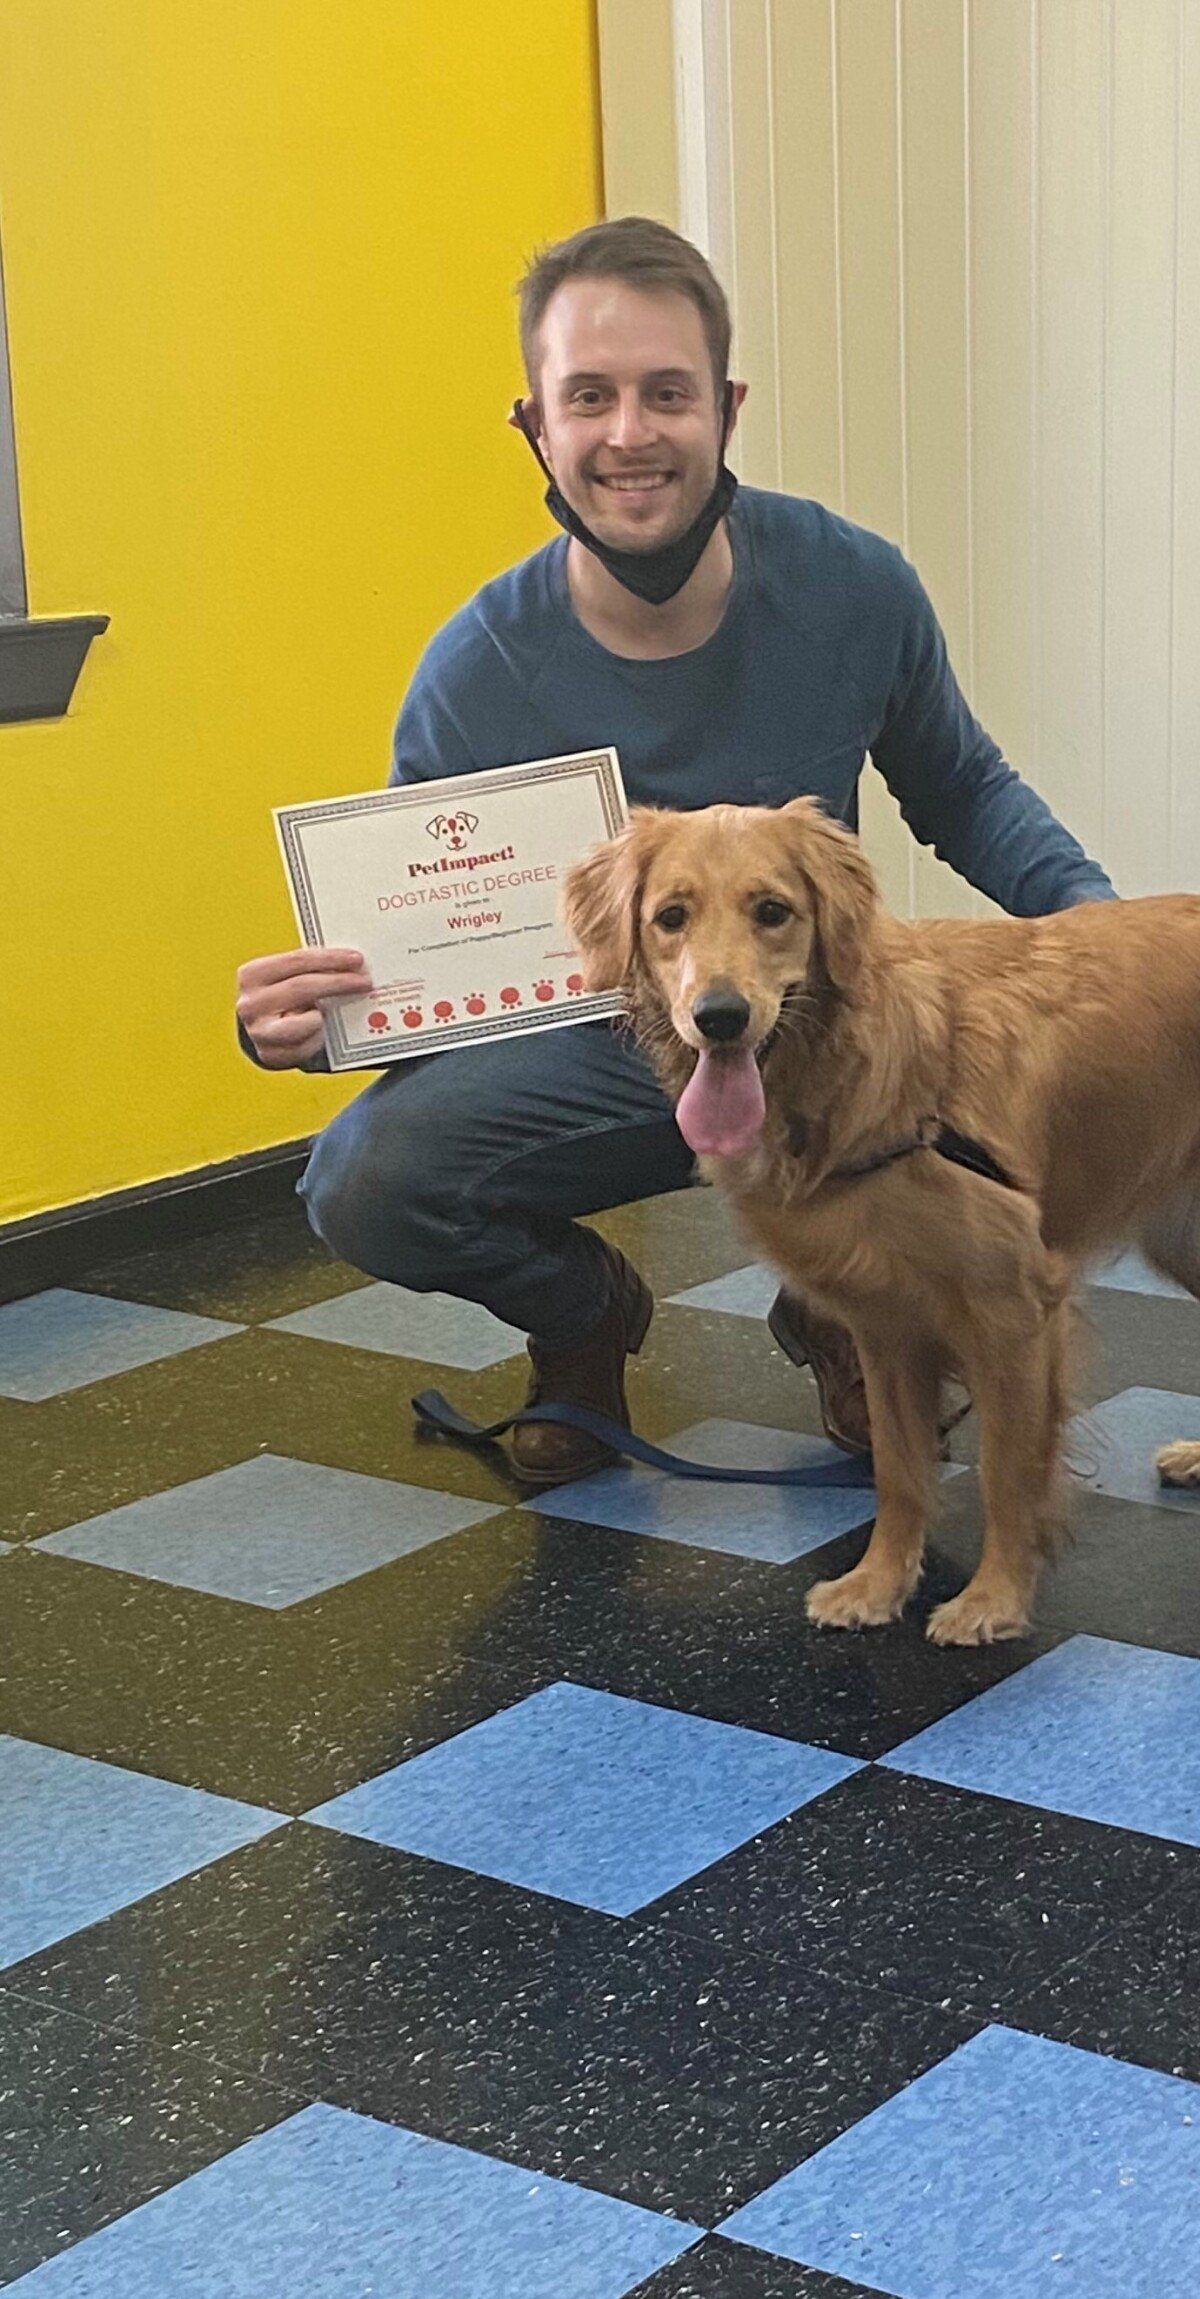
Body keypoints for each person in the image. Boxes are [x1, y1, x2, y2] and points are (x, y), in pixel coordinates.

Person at [234, 216, 1113, 1484]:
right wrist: (317, 1027)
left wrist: (1099, 935)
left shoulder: (855, 588)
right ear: (536, 424)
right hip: (605, 1055)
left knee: (998, 1041)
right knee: (366, 1179)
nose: (631, 432)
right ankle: (583, 1320)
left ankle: (846, 1305)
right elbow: (425, 951)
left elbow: (963, 790)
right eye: (588, 396)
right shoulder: (476, 670)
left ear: (726, 409)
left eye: (667, 392)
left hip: (831, 1043)